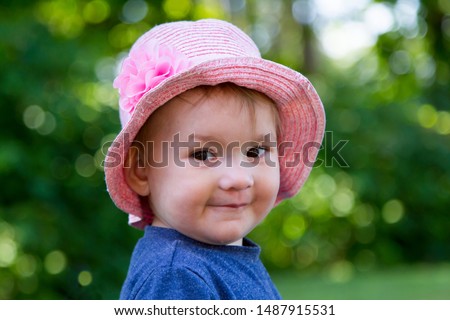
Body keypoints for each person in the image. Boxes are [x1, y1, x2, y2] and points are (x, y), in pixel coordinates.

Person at [104, 19, 325, 299]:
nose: (238, 178)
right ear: (141, 171)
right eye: (203, 154)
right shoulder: (175, 276)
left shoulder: (216, 258)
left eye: (255, 152)